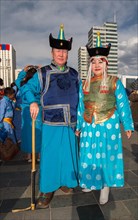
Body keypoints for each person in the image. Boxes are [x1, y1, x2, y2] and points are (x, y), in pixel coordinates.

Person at [20, 24, 79, 208]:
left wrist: (81, 123)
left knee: (69, 155)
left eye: (64, 51)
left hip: (71, 123)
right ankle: (47, 189)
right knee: (51, 157)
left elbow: (82, 99)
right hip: (51, 122)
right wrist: (33, 101)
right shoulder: (42, 73)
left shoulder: (75, 74)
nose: (61, 54)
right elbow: (26, 88)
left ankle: (66, 181)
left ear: (68, 53)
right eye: (57, 50)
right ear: (52, 53)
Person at [75, 32, 134, 205]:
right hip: (88, 125)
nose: (97, 64)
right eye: (93, 62)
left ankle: (105, 185)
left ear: (106, 63)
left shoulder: (114, 81)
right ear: (90, 65)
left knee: (106, 156)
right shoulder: (84, 84)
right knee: (88, 155)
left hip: (108, 125)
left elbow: (123, 104)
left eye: (100, 61)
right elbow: (80, 106)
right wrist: (78, 125)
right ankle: (89, 181)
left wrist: (128, 125)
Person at [14, 65, 42, 162]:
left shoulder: (23, 83)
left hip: (26, 110)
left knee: (27, 133)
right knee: (39, 132)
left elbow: (17, 80)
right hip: (38, 109)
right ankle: (39, 156)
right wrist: (41, 70)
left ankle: (29, 156)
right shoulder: (39, 82)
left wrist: (23, 70)